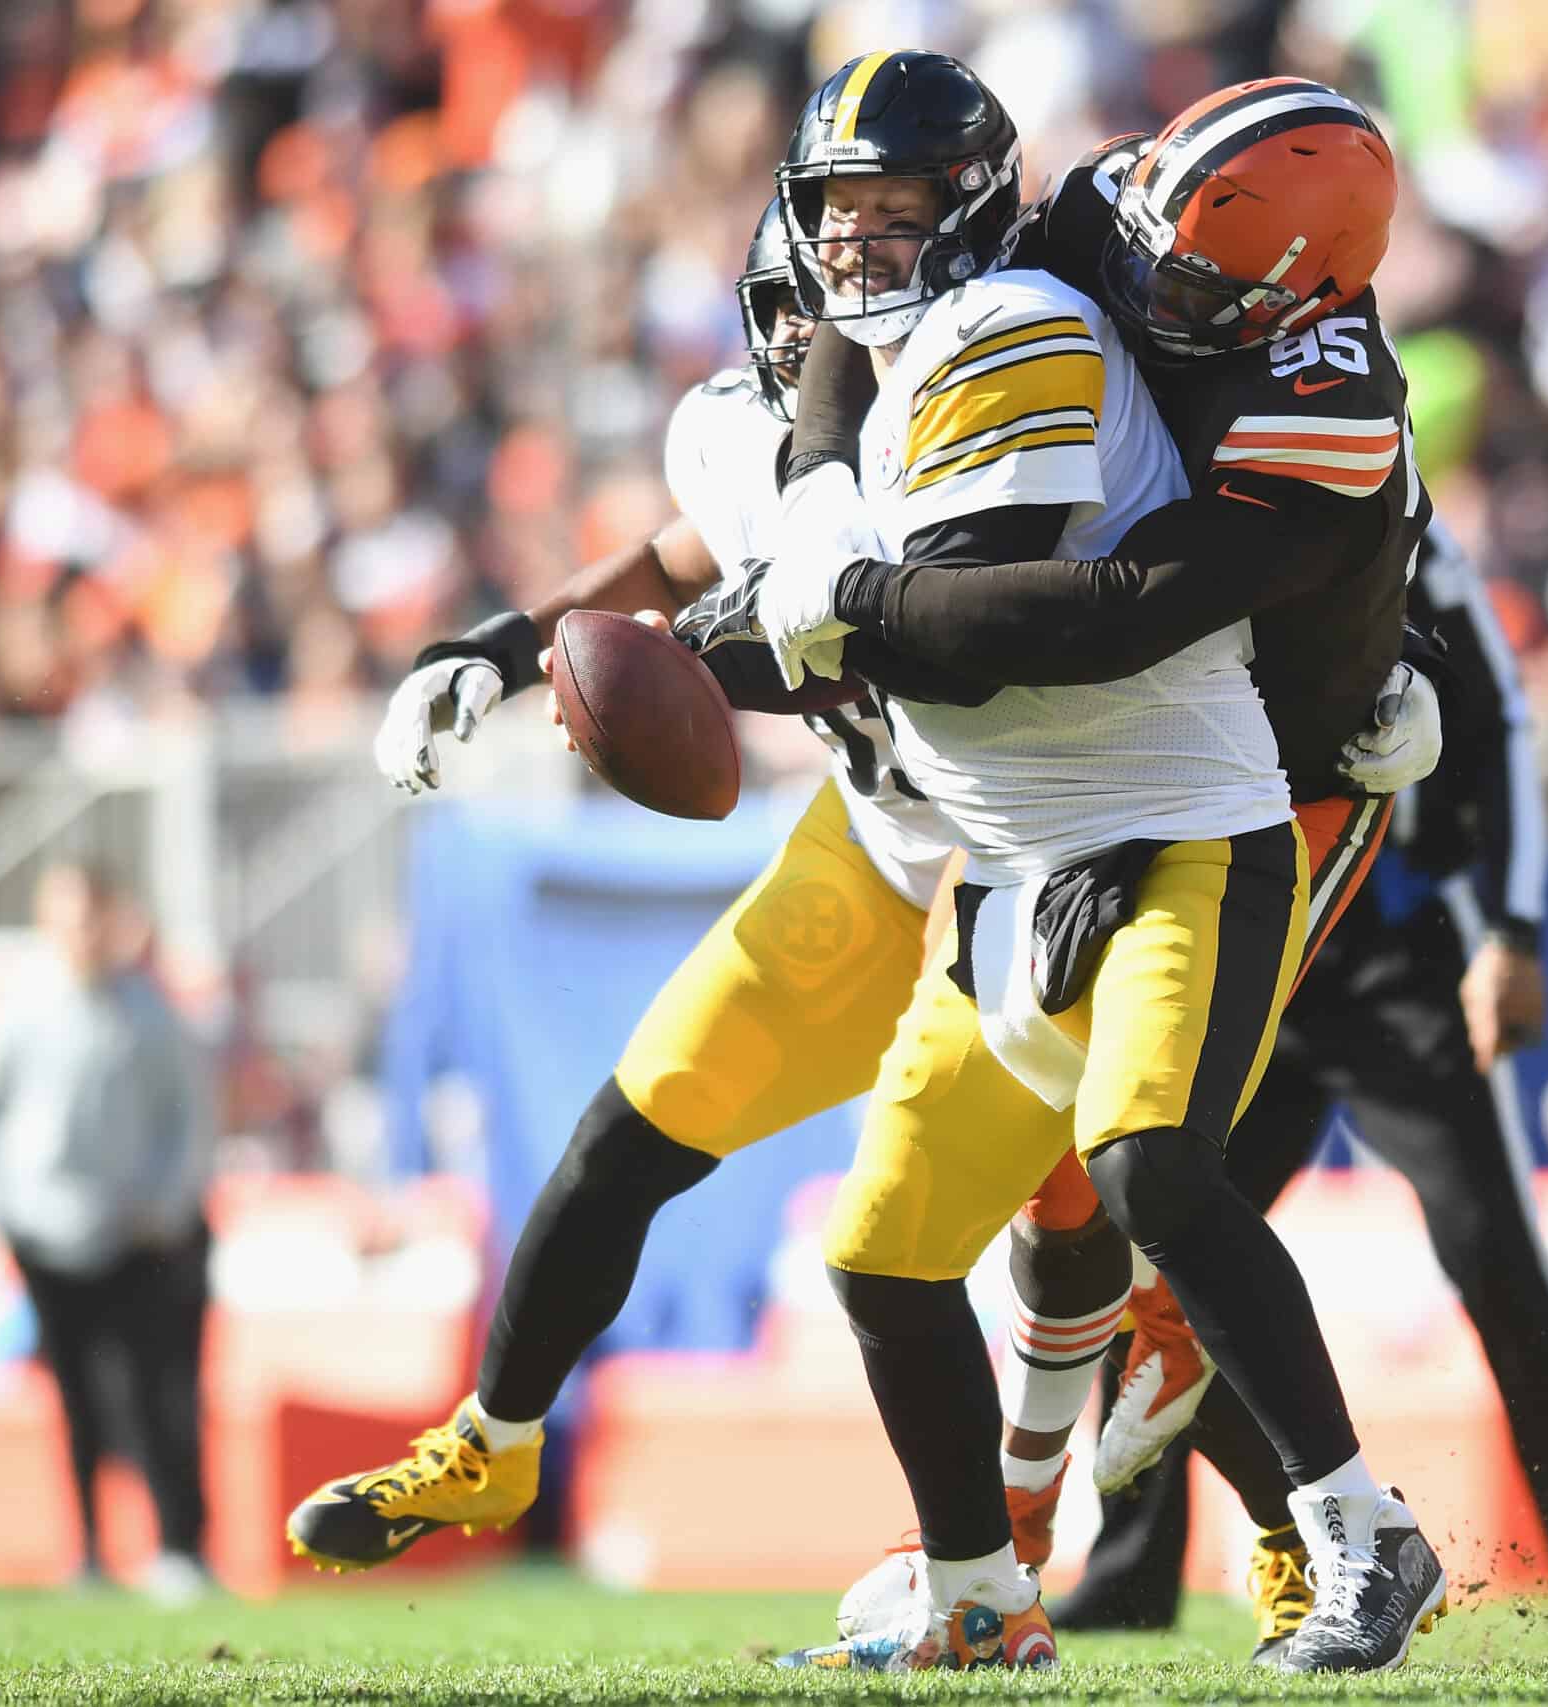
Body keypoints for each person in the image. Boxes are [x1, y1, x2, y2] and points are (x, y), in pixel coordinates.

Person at [289, 173, 1431, 1600]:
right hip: (881, 843)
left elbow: (1094, 597)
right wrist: (500, 647)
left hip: (1038, 844)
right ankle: (494, 1436)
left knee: (1105, 1224)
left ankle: (1286, 1524)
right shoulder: (743, 433)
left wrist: (1378, 683)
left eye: (811, 314)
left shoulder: (985, 383)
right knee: (644, 1126)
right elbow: (663, 562)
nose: (797, 345)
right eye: (786, 310)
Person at [733, 55, 1445, 1674]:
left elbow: (1122, 605)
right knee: (895, 1250)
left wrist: (851, 605)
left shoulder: (1322, 404)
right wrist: (820, 508)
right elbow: (857, 310)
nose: (1148, 292)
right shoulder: (1110, 222)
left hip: (1250, 777)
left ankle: (1352, 1528)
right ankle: (984, 1586)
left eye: (1195, 288)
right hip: (1019, 835)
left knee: (1143, 1165)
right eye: (1153, 252)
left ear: (1294, 298)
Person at [1029, 521, 1548, 1661]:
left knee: (1488, 1249)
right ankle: (1130, 1570)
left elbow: (1500, 718)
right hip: (1234, 924)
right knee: (1148, 1217)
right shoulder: (1178, 501)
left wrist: (1511, 926)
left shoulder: (1389, 510)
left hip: (1389, 950)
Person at [0, 861, 214, 1604]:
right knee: (75, 1398)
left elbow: (189, 1120)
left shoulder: (150, 1011)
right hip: (46, 1236)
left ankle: (178, 1546)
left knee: (155, 1392)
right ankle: (89, 1550)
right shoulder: (18, 1007)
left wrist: (165, 1207)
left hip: (138, 1239)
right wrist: (2, 1209)